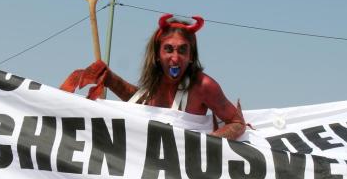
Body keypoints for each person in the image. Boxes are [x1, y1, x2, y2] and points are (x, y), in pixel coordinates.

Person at [60, 14, 246, 140]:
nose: (175, 57)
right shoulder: (155, 82)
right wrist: (109, 78)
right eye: (168, 49)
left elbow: (237, 123)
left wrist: (203, 144)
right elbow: (143, 105)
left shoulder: (204, 85)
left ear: (191, 57)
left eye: (183, 50)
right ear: (157, 54)